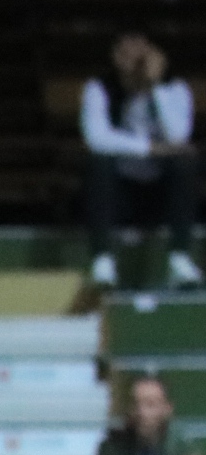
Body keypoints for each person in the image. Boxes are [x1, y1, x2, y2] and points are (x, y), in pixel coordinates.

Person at [82, 30, 201, 293]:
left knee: (185, 162)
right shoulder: (98, 88)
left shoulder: (175, 89)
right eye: (126, 53)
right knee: (97, 162)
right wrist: (152, 148)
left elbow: (178, 136)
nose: (135, 61)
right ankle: (102, 261)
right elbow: (97, 139)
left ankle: (179, 259)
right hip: (118, 195)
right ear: (115, 57)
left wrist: (155, 85)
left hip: (160, 195)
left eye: (142, 54)